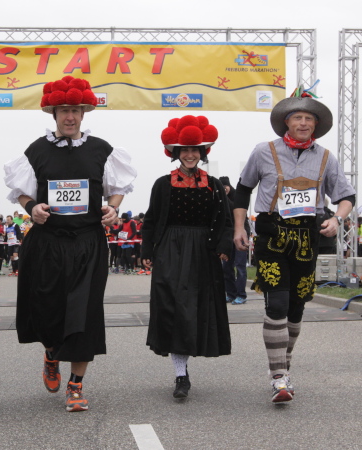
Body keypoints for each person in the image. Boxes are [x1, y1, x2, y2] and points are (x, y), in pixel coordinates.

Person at [4, 75, 137, 412]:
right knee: (48, 308)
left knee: (85, 313)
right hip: (48, 243)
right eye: (64, 111)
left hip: (88, 243)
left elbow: (117, 188)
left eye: (75, 110)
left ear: (83, 113)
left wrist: (113, 208)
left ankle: (76, 385)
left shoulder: (101, 150)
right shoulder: (37, 150)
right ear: (54, 114)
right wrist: (32, 208)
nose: (70, 117)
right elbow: (22, 193)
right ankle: (51, 353)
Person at [233, 86, 355, 403]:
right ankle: (279, 378)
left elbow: (346, 197)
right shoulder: (263, 151)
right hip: (272, 234)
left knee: (296, 307)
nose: (303, 123)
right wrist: (239, 228)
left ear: (316, 125)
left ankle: (283, 366)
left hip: (306, 237)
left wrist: (337, 219)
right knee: (276, 303)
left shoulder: (326, 158)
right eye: (297, 117)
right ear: (286, 122)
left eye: (308, 119)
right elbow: (243, 190)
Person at [142, 115, 232, 399]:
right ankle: (181, 374)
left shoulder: (213, 185)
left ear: (202, 153)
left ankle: (185, 365)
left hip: (203, 252)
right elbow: (151, 220)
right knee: (174, 308)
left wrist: (223, 246)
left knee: (194, 309)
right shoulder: (162, 184)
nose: (190, 155)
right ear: (176, 153)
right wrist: (147, 250)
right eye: (185, 150)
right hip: (170, 250)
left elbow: (225, 220)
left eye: (195, 150)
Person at [219, 176, 250, 304]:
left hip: (241, 235)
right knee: (226, 267)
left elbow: (234, 209)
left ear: (229, 186)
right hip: (228, 237)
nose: (224, 189)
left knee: (240, 266)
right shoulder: (220, 199)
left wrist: (224, 198)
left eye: (225, 187)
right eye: (221, 188)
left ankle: (241, 295)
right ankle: (230, 293)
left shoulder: (237, 196)